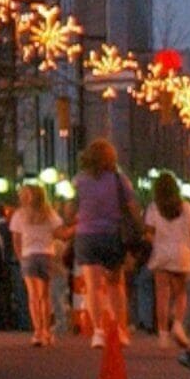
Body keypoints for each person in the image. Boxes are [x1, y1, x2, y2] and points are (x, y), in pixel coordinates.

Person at [69, 139, 133, 346]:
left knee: (93, 286)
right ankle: (120, 330)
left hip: (86, 235)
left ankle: (98, 331)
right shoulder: (119, 179)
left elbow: (70, 211)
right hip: (112, 234)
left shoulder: (78, 180)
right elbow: (132, 207)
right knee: (116, 285)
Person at [144, 172, 190, 349]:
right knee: (180, 293)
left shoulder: (154, 208)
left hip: (161, 252)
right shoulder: (187, 208)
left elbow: (148, 232)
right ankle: (177, 323)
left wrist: (157, 242)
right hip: (182, 253)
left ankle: (163, 335)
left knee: (162, 294)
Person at [6, 180, 63, 346]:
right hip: (46, 254)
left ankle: (37, 332)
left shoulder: (20, 215)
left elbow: (16, 239)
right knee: (45, 296)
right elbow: (59, 232)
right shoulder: (49, 213)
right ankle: (46, 331)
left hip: (28, 255)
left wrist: (20, 257)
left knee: (33, 296)